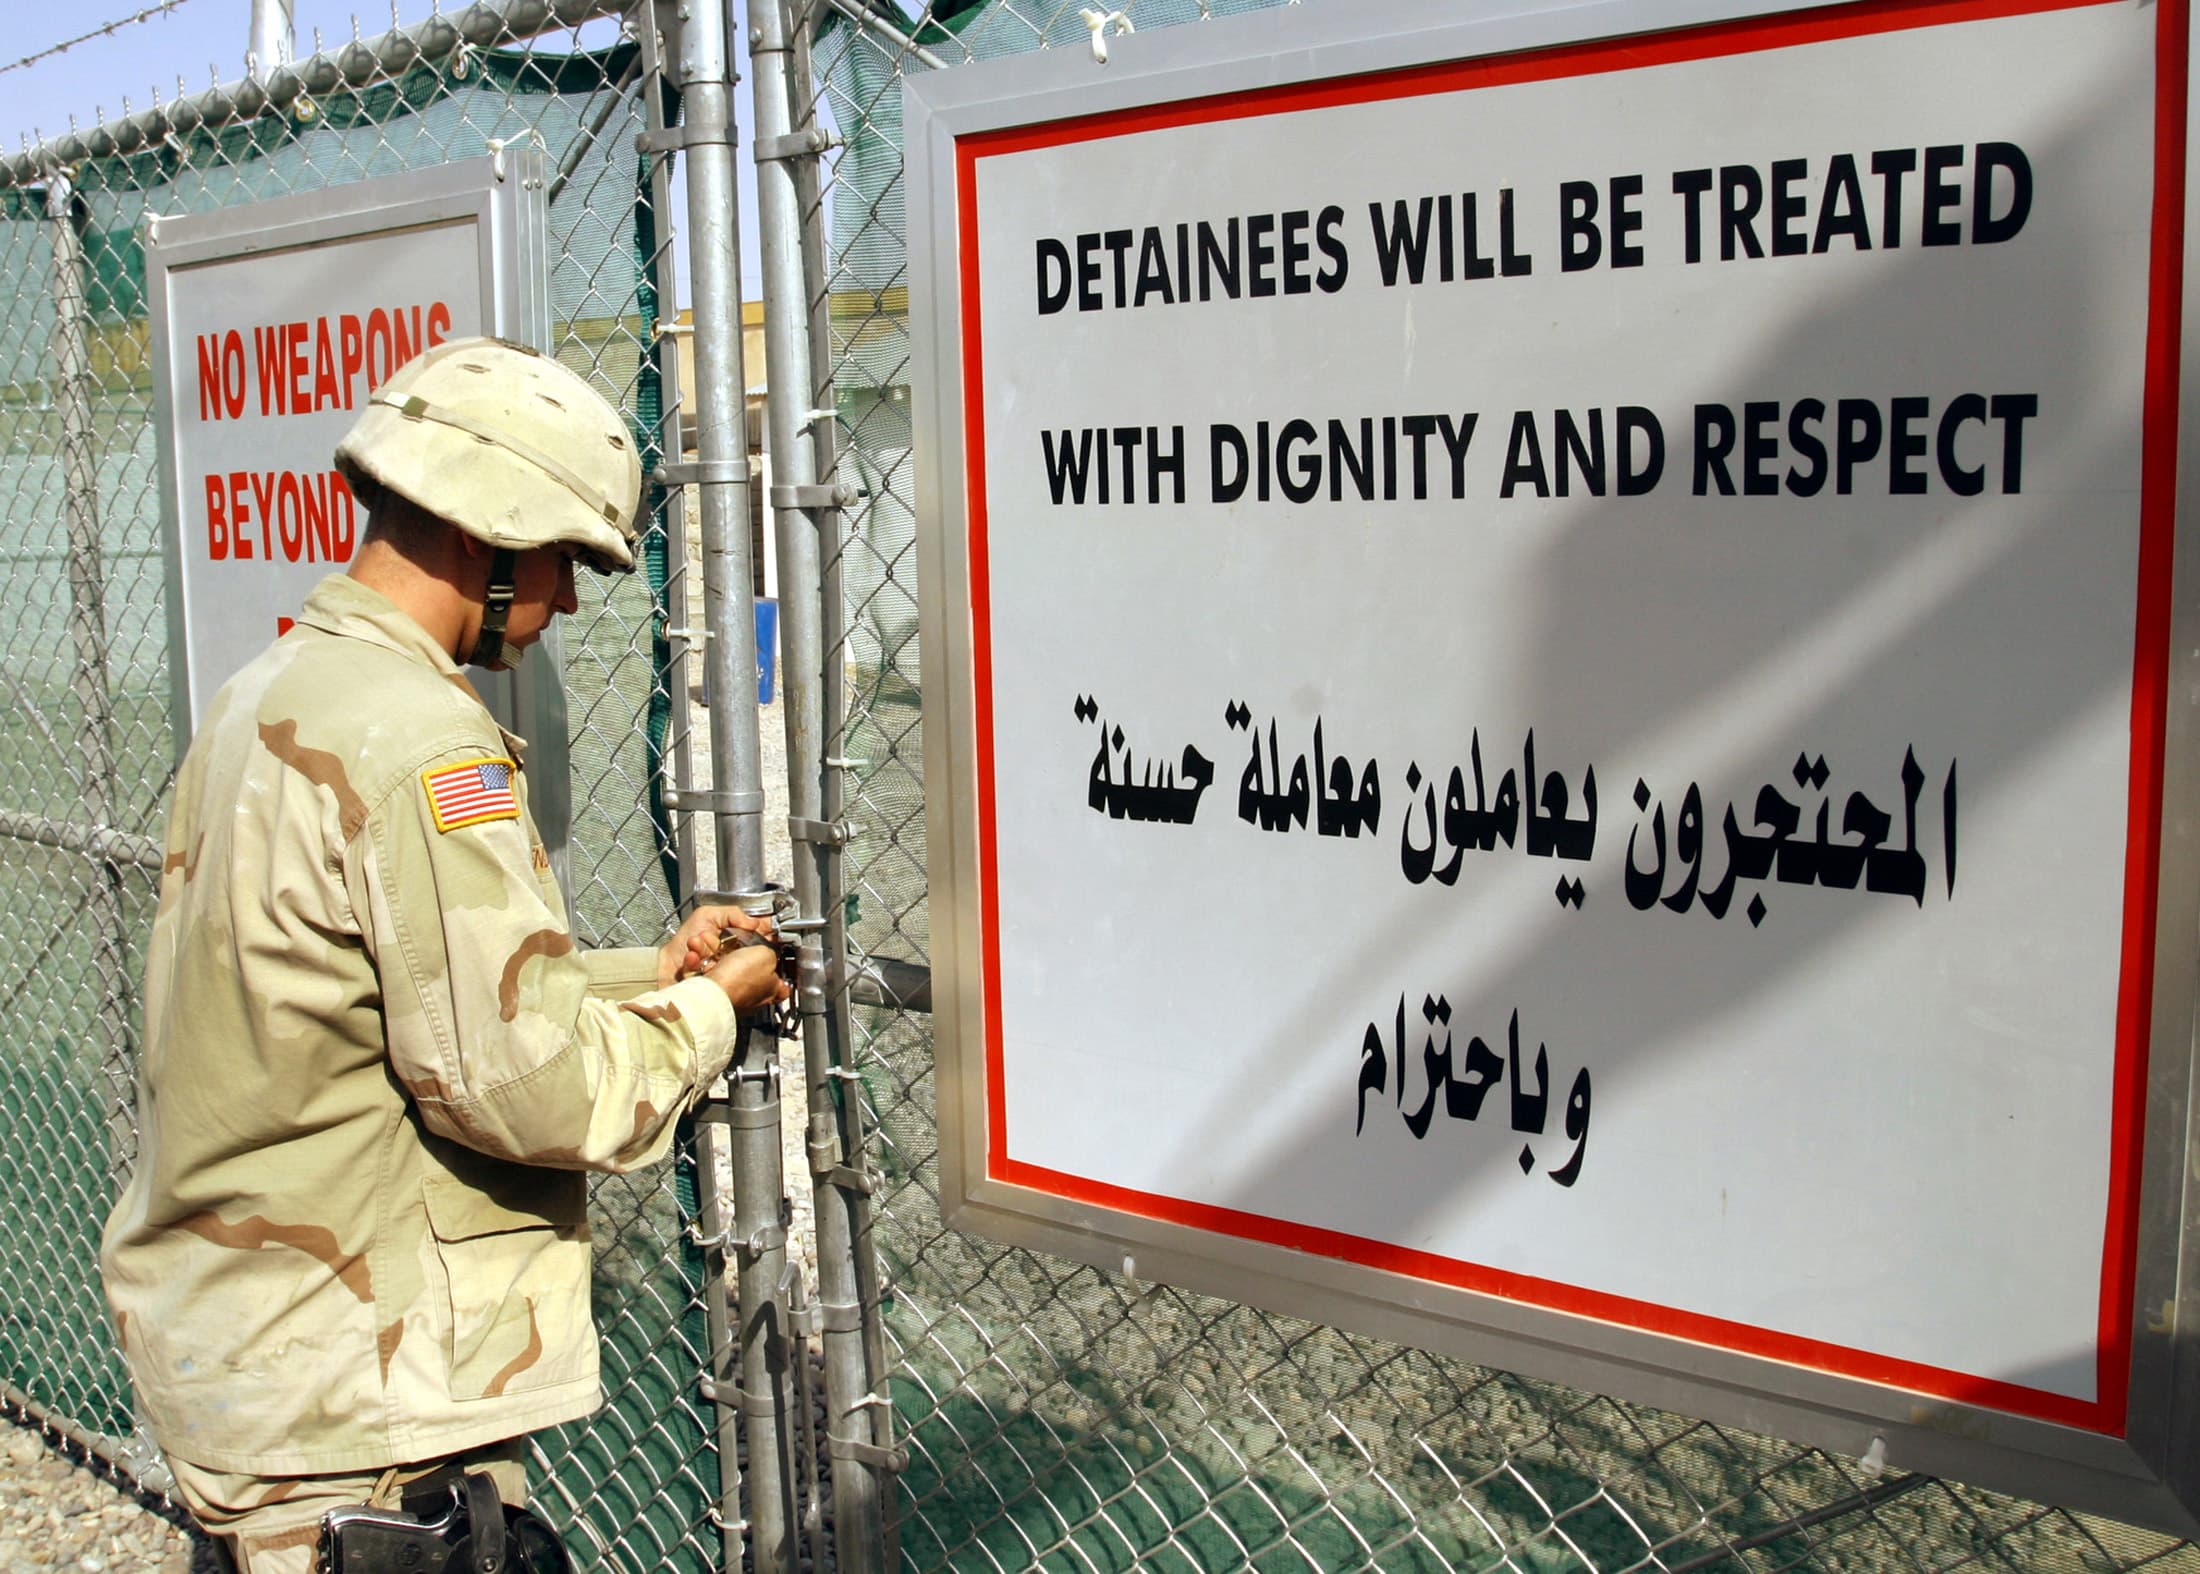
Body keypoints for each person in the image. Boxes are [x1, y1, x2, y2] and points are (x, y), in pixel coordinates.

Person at [99, 336, 783, 1572]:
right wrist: (715, 1014)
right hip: (357, 1432)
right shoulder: (424, 740)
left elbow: (381, 994)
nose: (568, 601)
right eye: (568, 560)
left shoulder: (277, 690)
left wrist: (650, 971)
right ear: (493, 531)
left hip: (262, 1376)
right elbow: (527, 1084)